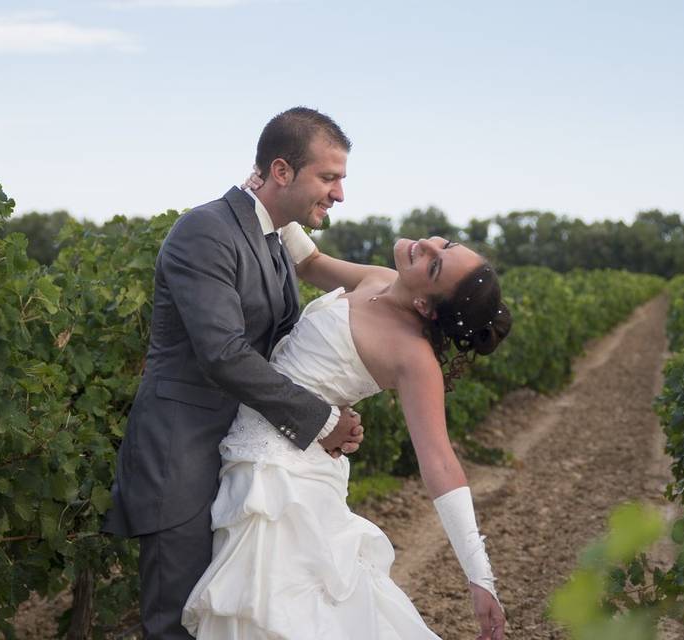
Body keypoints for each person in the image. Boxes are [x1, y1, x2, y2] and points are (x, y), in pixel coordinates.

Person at [101, 107, 365, 639]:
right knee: (176, 623)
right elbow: (223, 353)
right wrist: (319, 419)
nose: (339, 194)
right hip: (182, 460)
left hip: (241, 458)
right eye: (329, 177)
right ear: (283, 171)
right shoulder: (206, 230)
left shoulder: (272, 237)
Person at [182, 226, 513, 639]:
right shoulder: (377, 278)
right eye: (444, 244)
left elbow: (441, 462)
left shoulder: (414, 357)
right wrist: (275, 205)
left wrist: (479, 576)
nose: (427, 245)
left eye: (435, 263)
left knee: (271, 608)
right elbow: (310, 263)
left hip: (282, 482)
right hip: (257, 443)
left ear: (427, 306)